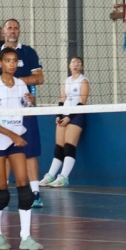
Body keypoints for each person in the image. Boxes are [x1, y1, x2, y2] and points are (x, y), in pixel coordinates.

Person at [0, 47, 42, 250]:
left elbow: (25, 109)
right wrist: (11, 135)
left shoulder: (21, 84)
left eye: (15, 60)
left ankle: (26, 237)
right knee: (1, 189)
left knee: (24, 188)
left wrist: (31, 103)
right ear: (0, 63)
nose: (12, 64)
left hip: (16, 139)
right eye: (8, 60)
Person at [0, 19, 45, 208]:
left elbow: (39, 78)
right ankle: (3, 191)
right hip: (1, 111)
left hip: (23, 109)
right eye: (9, 27)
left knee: (29, 150)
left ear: (19, 31)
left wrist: (15, 81)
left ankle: (35, 192)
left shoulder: (28, 52)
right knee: (4, 149)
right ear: (3, 31)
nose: (12, 30)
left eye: (16, 28)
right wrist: (1, 85)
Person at [39, 56, 89, 188]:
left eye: (79, 63)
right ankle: (50, 175)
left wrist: (69, 117)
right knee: (59, 147)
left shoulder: (83, 81)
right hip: (64, 114)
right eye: (73, 62)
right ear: (69, 66)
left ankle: (64, 177)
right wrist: (59, 115)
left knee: (69, 146)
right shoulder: (66, 81)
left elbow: (82, 102)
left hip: (77, 115)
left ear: (82, 66)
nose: (75, 64)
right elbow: (62, 98)